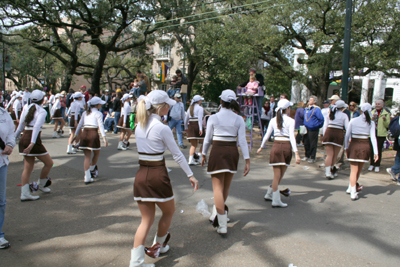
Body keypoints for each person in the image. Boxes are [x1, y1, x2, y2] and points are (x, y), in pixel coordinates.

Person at [129, 90, 198, 267]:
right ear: (160, 107)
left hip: (141, 175)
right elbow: (177, 155)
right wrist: (191, 175)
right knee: (168, 211)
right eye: (167, 105)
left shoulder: (139, 125)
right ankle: (157, 245)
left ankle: (136, 262)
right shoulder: (162, 128)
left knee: (146, 220)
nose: (169, 107)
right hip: (157, 175)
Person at [201, 89, 250, 234]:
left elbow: (207, 139)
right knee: (225, 187)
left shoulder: (213, 117)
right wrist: (247, 160)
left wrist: (203, 153)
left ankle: (222, 224)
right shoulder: (238, 119)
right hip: (231, 152)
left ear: (221, 101)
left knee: (217, 188)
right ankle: (218, 215)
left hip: (217, 151)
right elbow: (242, 140)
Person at [257, 99, 300, 208]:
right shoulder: (290, 120)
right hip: (286, 147)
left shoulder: (273, 120)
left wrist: (261, 146)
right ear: (288, 109)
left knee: (277, 175)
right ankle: (275, 200)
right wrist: (297, 153)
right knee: (279, 176)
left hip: (276, 147)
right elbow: (292, 137)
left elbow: (267, 135)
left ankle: (269, 194)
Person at [15, 90, 54, 201]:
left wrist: (13, 139)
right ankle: (41, 184)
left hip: (24, 137)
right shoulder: (42, 111)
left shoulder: (26, 107)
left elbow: (20, 126)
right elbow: (36, 127)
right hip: (33, 139)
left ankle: (25, 193)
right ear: (42, 100)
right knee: (49, 163)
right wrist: (32, 143)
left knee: (28, 168)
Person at [345, 103, 378, 200]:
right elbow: (373, 138)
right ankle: (352, 188)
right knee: (358, 169)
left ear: (361, 110)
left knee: (353, 170)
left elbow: (347, 136)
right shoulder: (371, 122)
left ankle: (352, 189)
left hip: (354, 144)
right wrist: (376, 152)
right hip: (365, 145)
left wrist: (346, 147)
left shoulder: (354, 120)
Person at [73, 97, 108, 184]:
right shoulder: (98, 113)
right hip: (93, 133)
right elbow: (100, 126)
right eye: (100, 103)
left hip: (84, 133)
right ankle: (91, 170)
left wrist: (76, 135)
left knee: (87, 156)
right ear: (96, 105)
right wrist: (104, 138)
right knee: (96, 153)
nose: (101, 105)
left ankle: (87, 176)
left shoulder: (85, 113)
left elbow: (80, 124)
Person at [0, 105, 16, 249]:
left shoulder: (4, 113)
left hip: (1, 162)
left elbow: (11, 132)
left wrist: (10, 144)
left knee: (1, 201)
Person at [322, 100, 349, 179]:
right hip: (338, 134)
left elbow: (325, 126)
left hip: (328, 132)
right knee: (335, 155)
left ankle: (327, 172)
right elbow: (347, 128)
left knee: (329, 155)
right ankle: (331, 171)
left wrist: (324, 136)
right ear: (343, 108)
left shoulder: (329, 114)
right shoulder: (344, 115)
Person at [368, 100, 390, 172]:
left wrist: (384, 120)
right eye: (376, 104)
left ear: (382, 105)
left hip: (381, 134)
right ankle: (372, 164)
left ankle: (377, 165)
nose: (377, 105)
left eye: (379, 104)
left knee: (378, 149)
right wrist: (372, 119)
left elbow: (387, 125)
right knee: (371, 149)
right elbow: (367, 123)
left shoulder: (386, 114)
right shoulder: (372, 112)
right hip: (372, 133)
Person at [303, 95, 324, 163]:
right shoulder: (307, 109)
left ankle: (312, 157)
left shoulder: (317, 109)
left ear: (314, 101)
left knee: (312, 143)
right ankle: (307, 155)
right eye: (309, 100)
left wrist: (316, 126)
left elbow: (321, 119)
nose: (309, 101)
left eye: (311, 100)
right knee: (306, 142)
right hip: (306, 128)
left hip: (313, 129)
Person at [184, 95, 205, 165]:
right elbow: (200, 119)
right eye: (201, 100)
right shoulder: (200, 108)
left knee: (193, 145)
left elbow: (186, 119)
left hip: (191, 126)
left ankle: (191, 160)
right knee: (204, 143)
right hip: (197, 126)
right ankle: (199, 157)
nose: (201, 101)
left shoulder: (190, 107)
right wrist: (201, 129)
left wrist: (186, 127)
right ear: (198, 101)